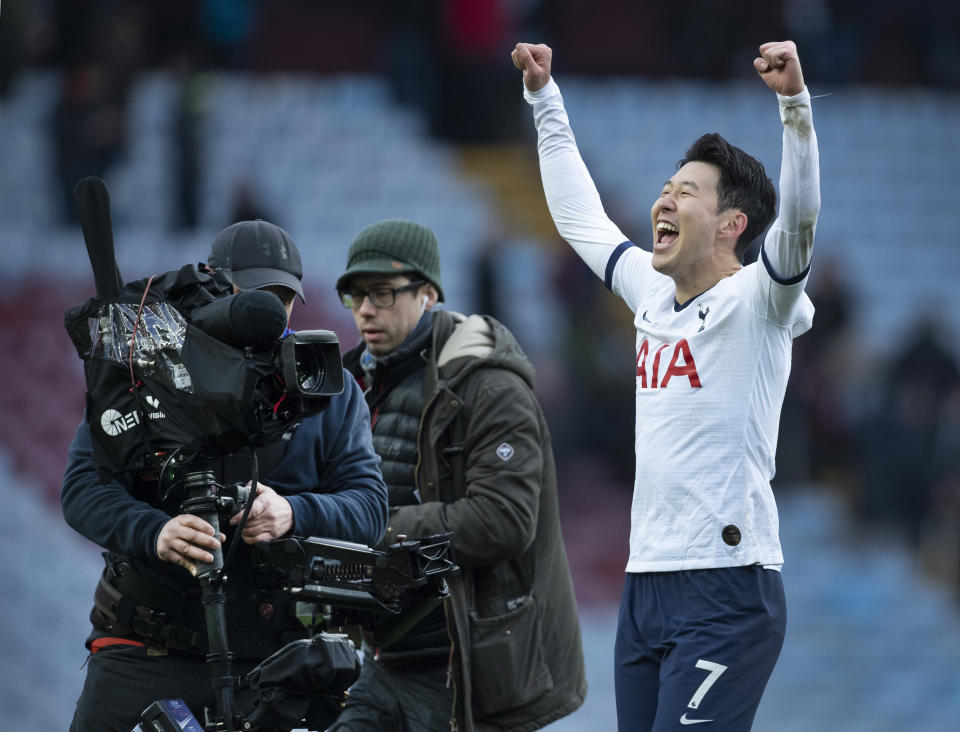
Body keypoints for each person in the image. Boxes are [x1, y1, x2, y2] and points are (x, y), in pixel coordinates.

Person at [512, 40, 820, 731]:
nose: (664, 198)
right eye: (665, 186)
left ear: (732, 224)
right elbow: (580, 219)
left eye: (687, 191)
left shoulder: (758, 302)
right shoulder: (651, 294)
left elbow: (798, 225)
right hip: (647, 580)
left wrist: (795, 110)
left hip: (728, 586)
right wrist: (544, 100)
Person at [62, 219, 390, 731]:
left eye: (281, 297)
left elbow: (370, 508)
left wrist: (292, 512)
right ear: (214, 286)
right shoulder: (146, 366)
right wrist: (156, 532)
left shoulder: (329, 385)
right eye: (254, 293)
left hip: (276, 666)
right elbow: (83, 489)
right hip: (147, 650)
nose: (268, 311)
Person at [327, 219, 586, 732]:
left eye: (381, 294)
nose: (365, 311)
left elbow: (505, 520)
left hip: (464, 665)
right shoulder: (346, 386)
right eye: (354, 296)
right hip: (381, 657)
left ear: (428, 294)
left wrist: (371, 533)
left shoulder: (487, 385)